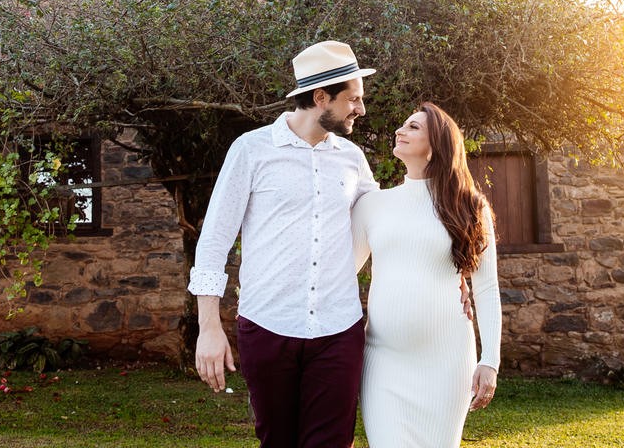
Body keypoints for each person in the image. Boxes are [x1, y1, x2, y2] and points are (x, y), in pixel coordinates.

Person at [189, 41, 470, 448]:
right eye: (353, 99)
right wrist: (208, 327)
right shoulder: (251, 151)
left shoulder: (352, 159)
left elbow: (389, 222)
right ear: (321, 98)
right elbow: (214, 241)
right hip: (268, 326)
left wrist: (449, 273)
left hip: (339, 330)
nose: (361, 109)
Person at [351, 102, 502, 448]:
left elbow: (488, 287)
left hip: (446, 361)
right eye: (403, 125)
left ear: (437, 147)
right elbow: (341, 277)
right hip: (382, 360)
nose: (400, 131)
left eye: (413, 127)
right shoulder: (372, 205)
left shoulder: (470, 207)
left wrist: (490, 361)